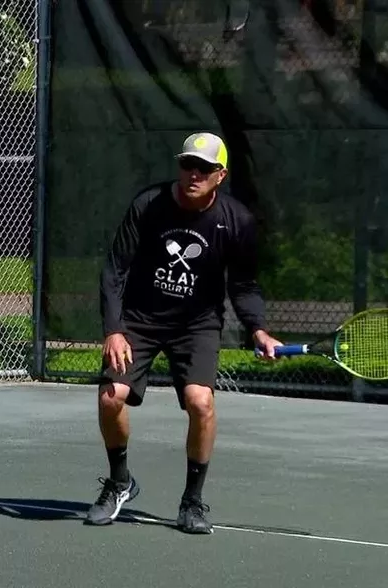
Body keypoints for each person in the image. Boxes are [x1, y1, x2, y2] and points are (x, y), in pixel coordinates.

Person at [85, 132, 283, 534]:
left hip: (197, 324)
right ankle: (120, 482)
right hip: (140, 318)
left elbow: (243, 285)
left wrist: (258, 329)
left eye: (204, 168)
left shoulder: (236, 221)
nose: (193, 174)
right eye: (187, 165)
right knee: (110, 398)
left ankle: (192, 502)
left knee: (201, 403)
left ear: (221, 175)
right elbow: (114, 270)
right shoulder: (148, 205)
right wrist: (114, 330)